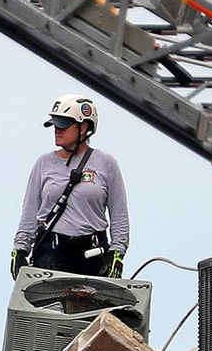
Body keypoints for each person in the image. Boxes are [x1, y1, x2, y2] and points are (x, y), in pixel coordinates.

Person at [11, 93, 131, 279]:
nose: (57, 130)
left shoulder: (106, 163)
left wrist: (117, 251)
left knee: (93, 299)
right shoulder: (43, 164)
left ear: (84, 128)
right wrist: (20, 250)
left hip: (92, 253)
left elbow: (119, 214)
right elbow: (29, 213)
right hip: (52, 251)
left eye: (64, 125)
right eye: (55, 125)